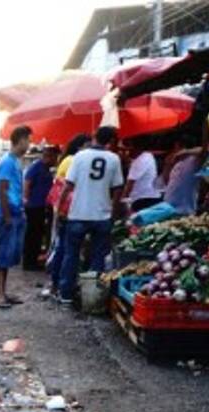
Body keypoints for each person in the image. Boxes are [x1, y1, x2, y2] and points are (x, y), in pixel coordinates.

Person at [56, 126, 124, 305]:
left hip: (78, 213)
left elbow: (67, 186)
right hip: (102, 215)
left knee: (71, 254)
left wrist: (59, 209)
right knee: (97, 257)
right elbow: (118, 190)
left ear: (94, 137)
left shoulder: (79, 156)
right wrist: (114, 213)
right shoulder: (114, 159)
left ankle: (66, 295)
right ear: (110, 142)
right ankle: (92, 297)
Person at [44, 134, 90, 293]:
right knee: (65, 249)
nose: (89, 149)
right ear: (80, 146)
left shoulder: (67, 159)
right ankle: (59, 285)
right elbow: (68, 187)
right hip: (67, 211)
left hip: (63, 209)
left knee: (62, 247)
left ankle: (56, 284)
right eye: (87, 145)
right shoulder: (73, 161)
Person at [0, 126, 32, 309]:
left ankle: (4, 292)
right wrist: (7, 216)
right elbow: (2, 190)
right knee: (3, 255)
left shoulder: (16, 161)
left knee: (10, 256)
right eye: (28, 140)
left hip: (15, 212)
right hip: (7, 214)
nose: (29, 144)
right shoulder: (8, 162)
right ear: (21, 140)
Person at [22, 145, 59, 271]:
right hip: (34, 206)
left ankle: (33, 260)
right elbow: (27, 182)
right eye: (55, 157)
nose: (56, 160)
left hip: (41, 205)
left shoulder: (46, 169)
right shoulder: (37, 167)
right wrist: (26, 199)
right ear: (50, 156)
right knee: (33, 234)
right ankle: (29, 262)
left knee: (37, 234)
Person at [123, 144, 162, 214]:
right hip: (152, 196)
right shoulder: (148, 155)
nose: (127, 152)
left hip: (141, 199)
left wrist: (122, 201)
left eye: (128, 150)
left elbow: (129, 184)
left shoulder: (139, 161)